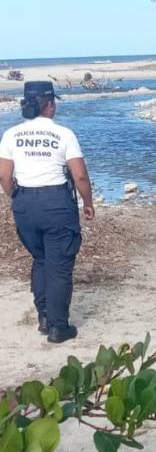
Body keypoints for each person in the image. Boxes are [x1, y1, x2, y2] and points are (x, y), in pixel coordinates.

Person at [0, 81, 95, 343]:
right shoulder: (64, 134)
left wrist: (17, 198)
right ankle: (58, 326)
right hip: (56, 202)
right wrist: (88, 202)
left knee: (41, 259)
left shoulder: (11, 134)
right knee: (60, 265)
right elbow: (80, 175)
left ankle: (43, 316)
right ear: (50, 104)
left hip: (25, 203)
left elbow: (4, 176)